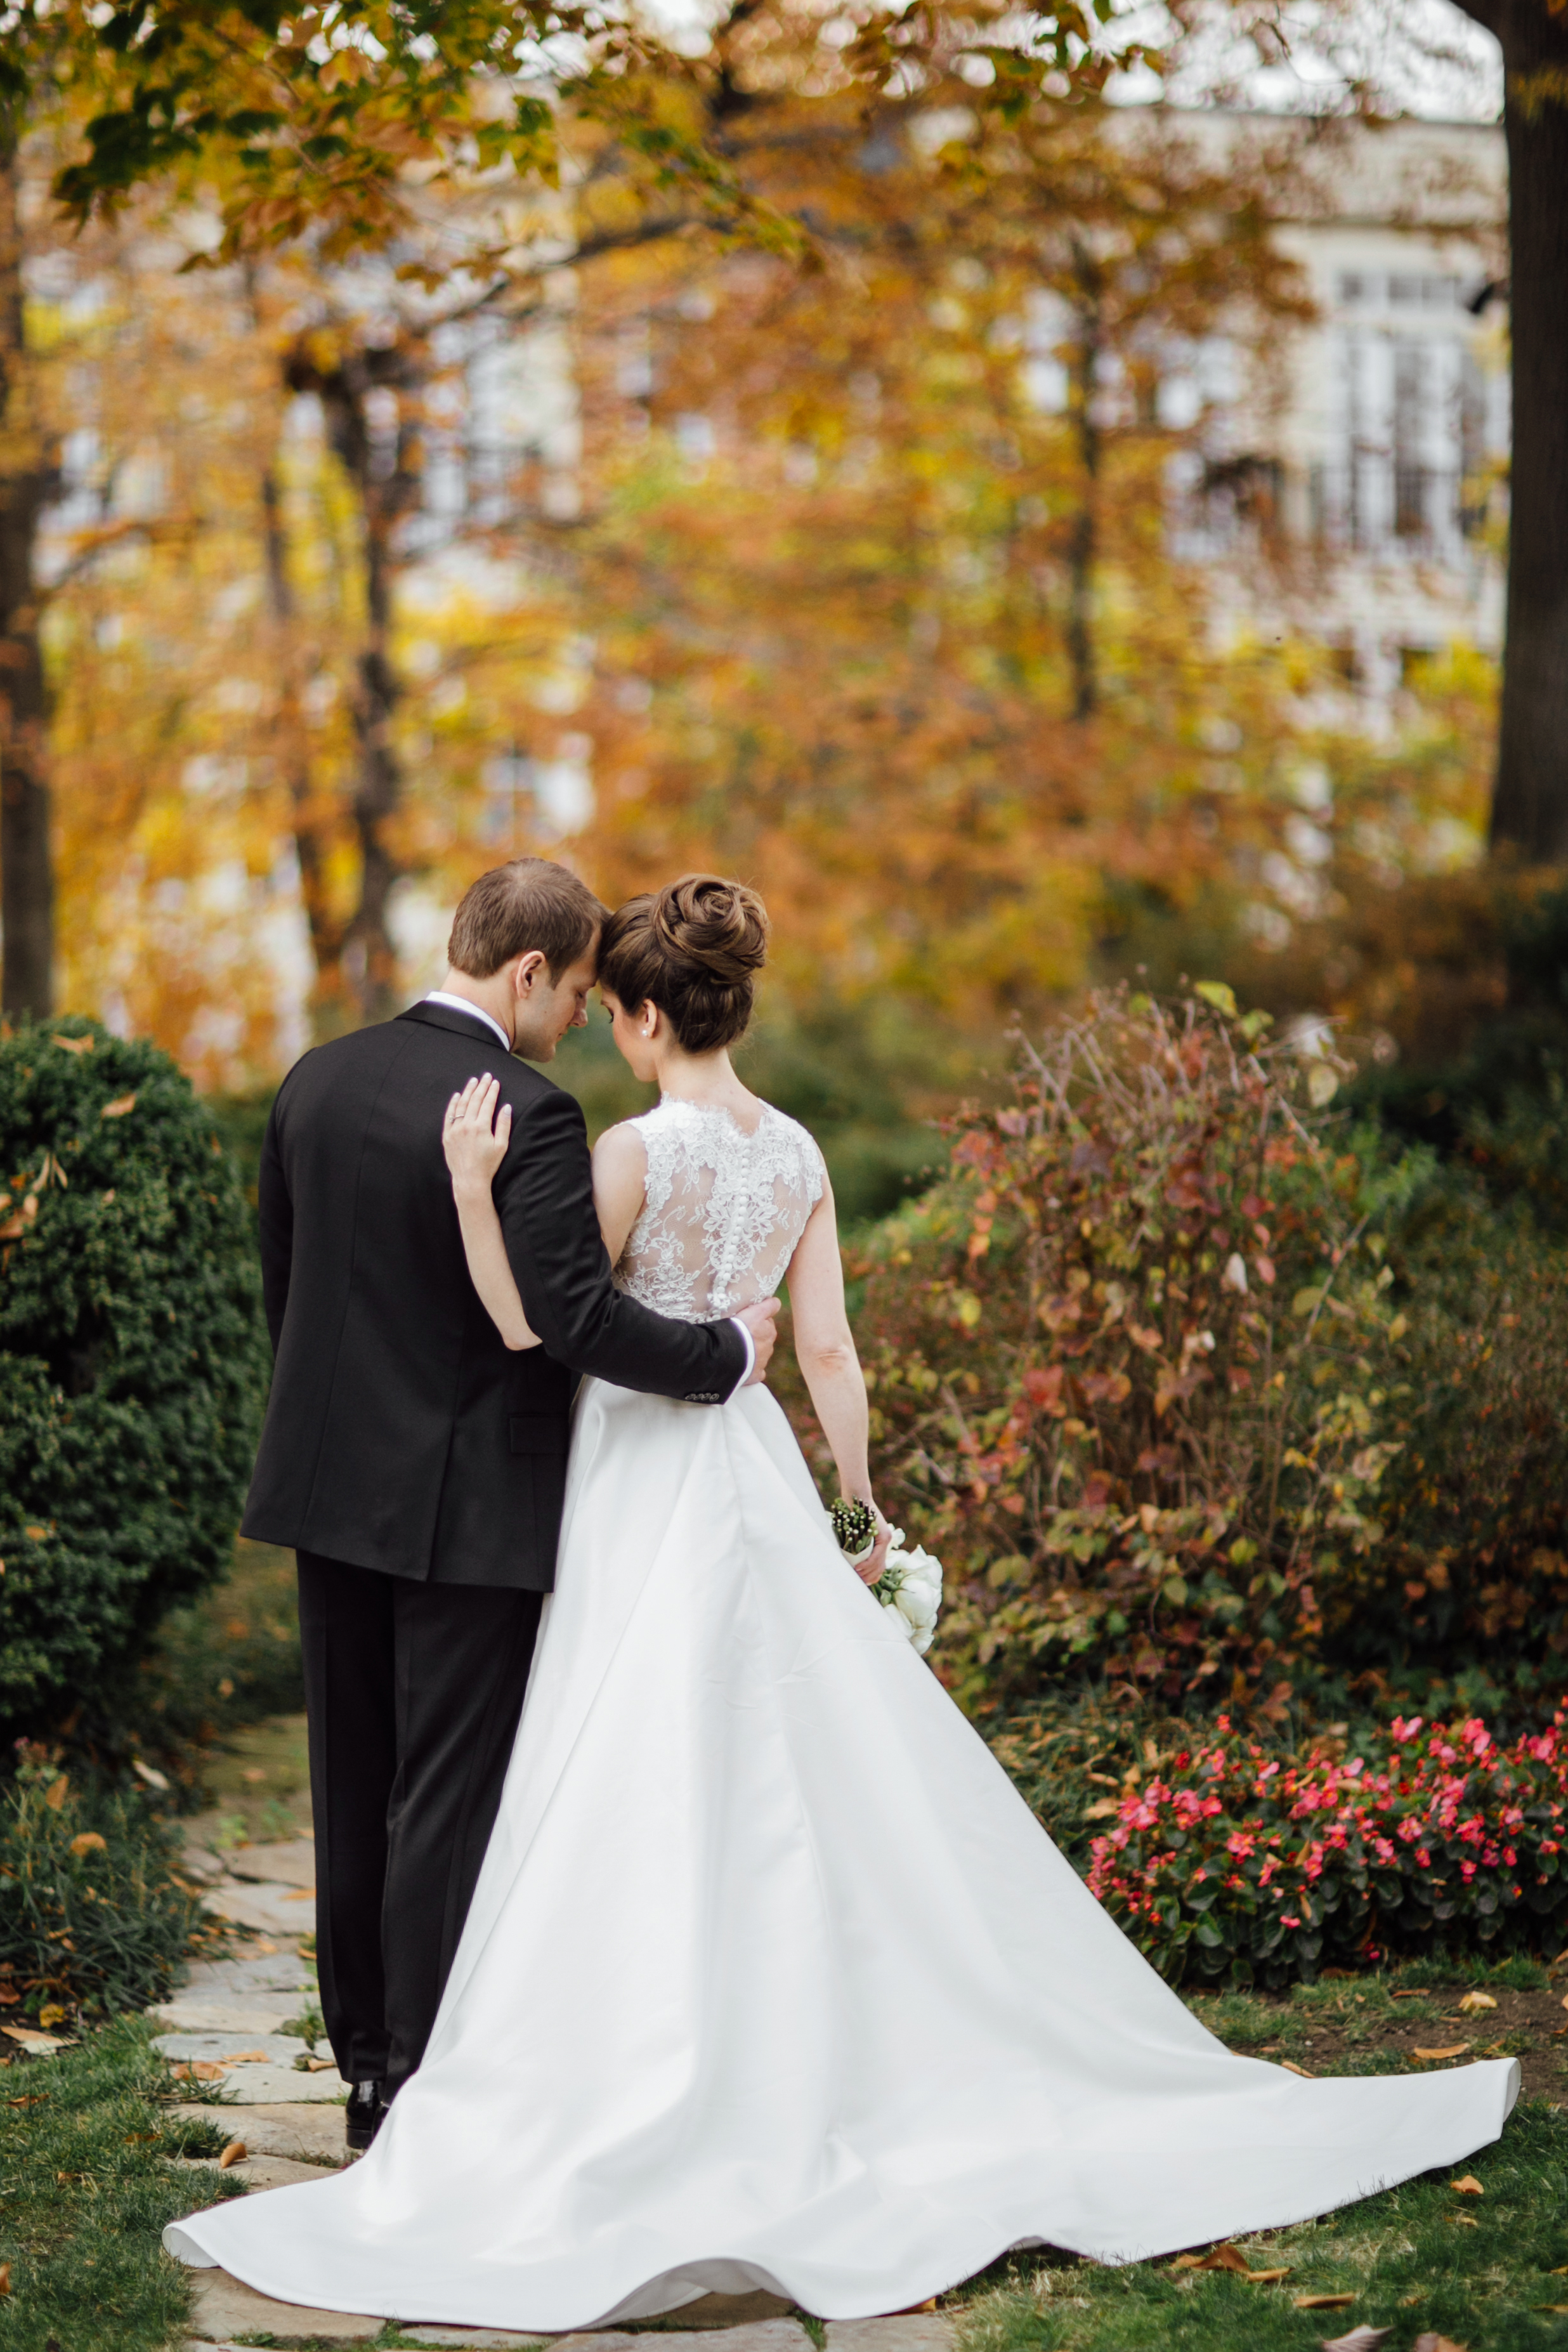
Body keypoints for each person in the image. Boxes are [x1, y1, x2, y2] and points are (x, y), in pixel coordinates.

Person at [168, 874, 1517, 2327]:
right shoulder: (781, 1150)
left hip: (452, 1486)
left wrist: (473, 1239)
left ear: (633, 1010)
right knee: (729, 1758)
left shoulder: (400, 1098)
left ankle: (405, 2064)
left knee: (481, 1766)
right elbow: (816, 1353)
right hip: (723, 1474)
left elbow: (472, 1311)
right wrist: (855, 1502)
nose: (585, 1027)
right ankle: (523, 2058)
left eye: (607, 1012)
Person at [238, 858, 779, 2151]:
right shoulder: (528, 1113)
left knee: (352, 1783)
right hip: (467, 1510)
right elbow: (572, 1320)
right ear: (530, 973)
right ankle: (420, 2086)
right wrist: (726, 1358)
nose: (577, 1014)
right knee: (442, 1793)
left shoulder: (313, 1081)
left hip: (328, 1495)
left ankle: (363, 2068)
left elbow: (286, 1280)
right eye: (577, 989)